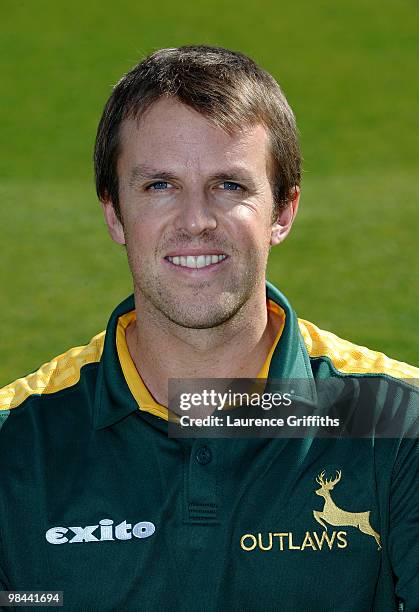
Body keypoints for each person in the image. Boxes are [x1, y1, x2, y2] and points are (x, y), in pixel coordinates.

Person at [0, 45, 417, 612]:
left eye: (229, 186)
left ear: (284, 212)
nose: (196, 221)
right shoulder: (14, 440)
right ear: (114, 215)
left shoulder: (396, 424)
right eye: (159, 186)